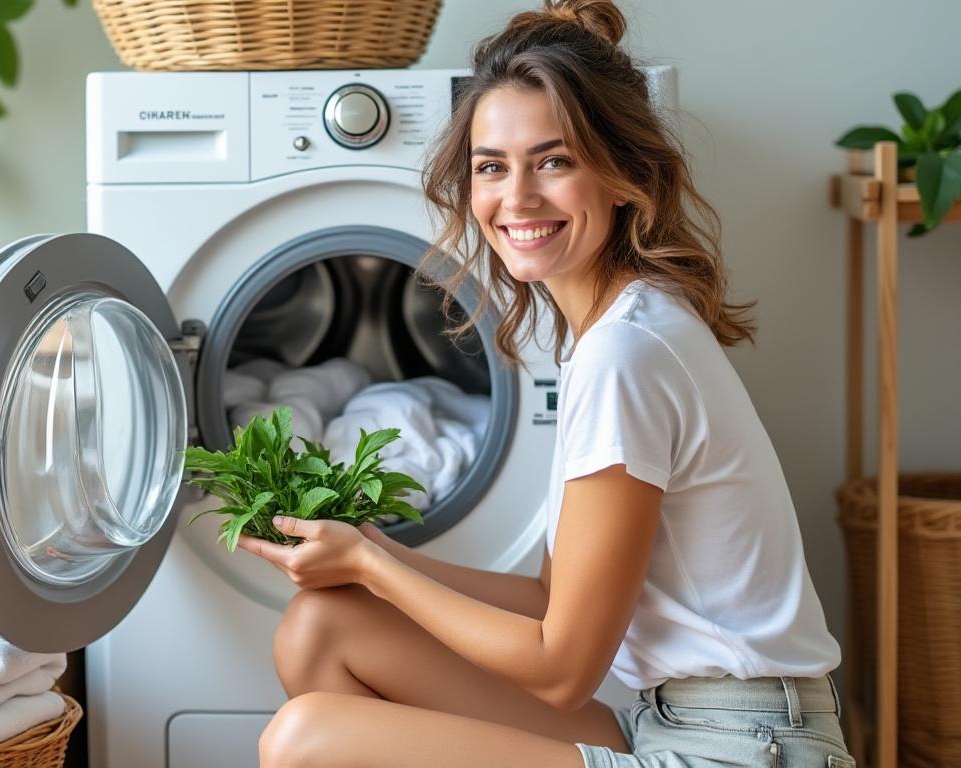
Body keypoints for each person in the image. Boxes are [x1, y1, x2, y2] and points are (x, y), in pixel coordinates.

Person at [233, 1, 852, 766]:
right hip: (679, 725)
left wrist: (372, 567)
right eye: (492, 166)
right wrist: (368, 548)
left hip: (746, 747)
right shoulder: (613, 330)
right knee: (323, 626)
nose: (516, 197)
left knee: (304, 741)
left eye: (554, 161)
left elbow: (562, 671)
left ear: (624, 175)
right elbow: (549, 603)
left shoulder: (627, 353)